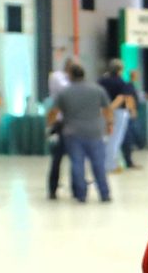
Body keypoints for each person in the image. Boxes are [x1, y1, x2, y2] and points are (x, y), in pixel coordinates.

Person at [46, 61, 111, 203]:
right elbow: (107, 109)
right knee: (98, 164)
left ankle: (81, 195)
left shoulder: (64, 92)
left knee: (77, 164)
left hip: (73, 133)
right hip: (95, 132)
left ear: (70, 75)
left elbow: (53, 112)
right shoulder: (97, 89)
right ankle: (104, 194)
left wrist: (49, 125)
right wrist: (109, 125)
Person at [99, 59, 139, 170]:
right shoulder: (121, 82)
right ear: (120, 70)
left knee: (104, 138)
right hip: (118, 112)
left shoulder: (101, 81)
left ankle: (102, 163)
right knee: (115, 138)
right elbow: (121, 97)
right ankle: (110, 165)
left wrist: (105, 109)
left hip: (102, 111)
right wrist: (111, 108)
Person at [46, 55, 75, 198]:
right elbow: (62, 92)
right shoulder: (57, 78)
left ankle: (77, 188)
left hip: (74, 124)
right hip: (60, 124)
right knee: (57, 158)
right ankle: (53, 189)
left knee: (76, 159)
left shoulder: (75, 83)